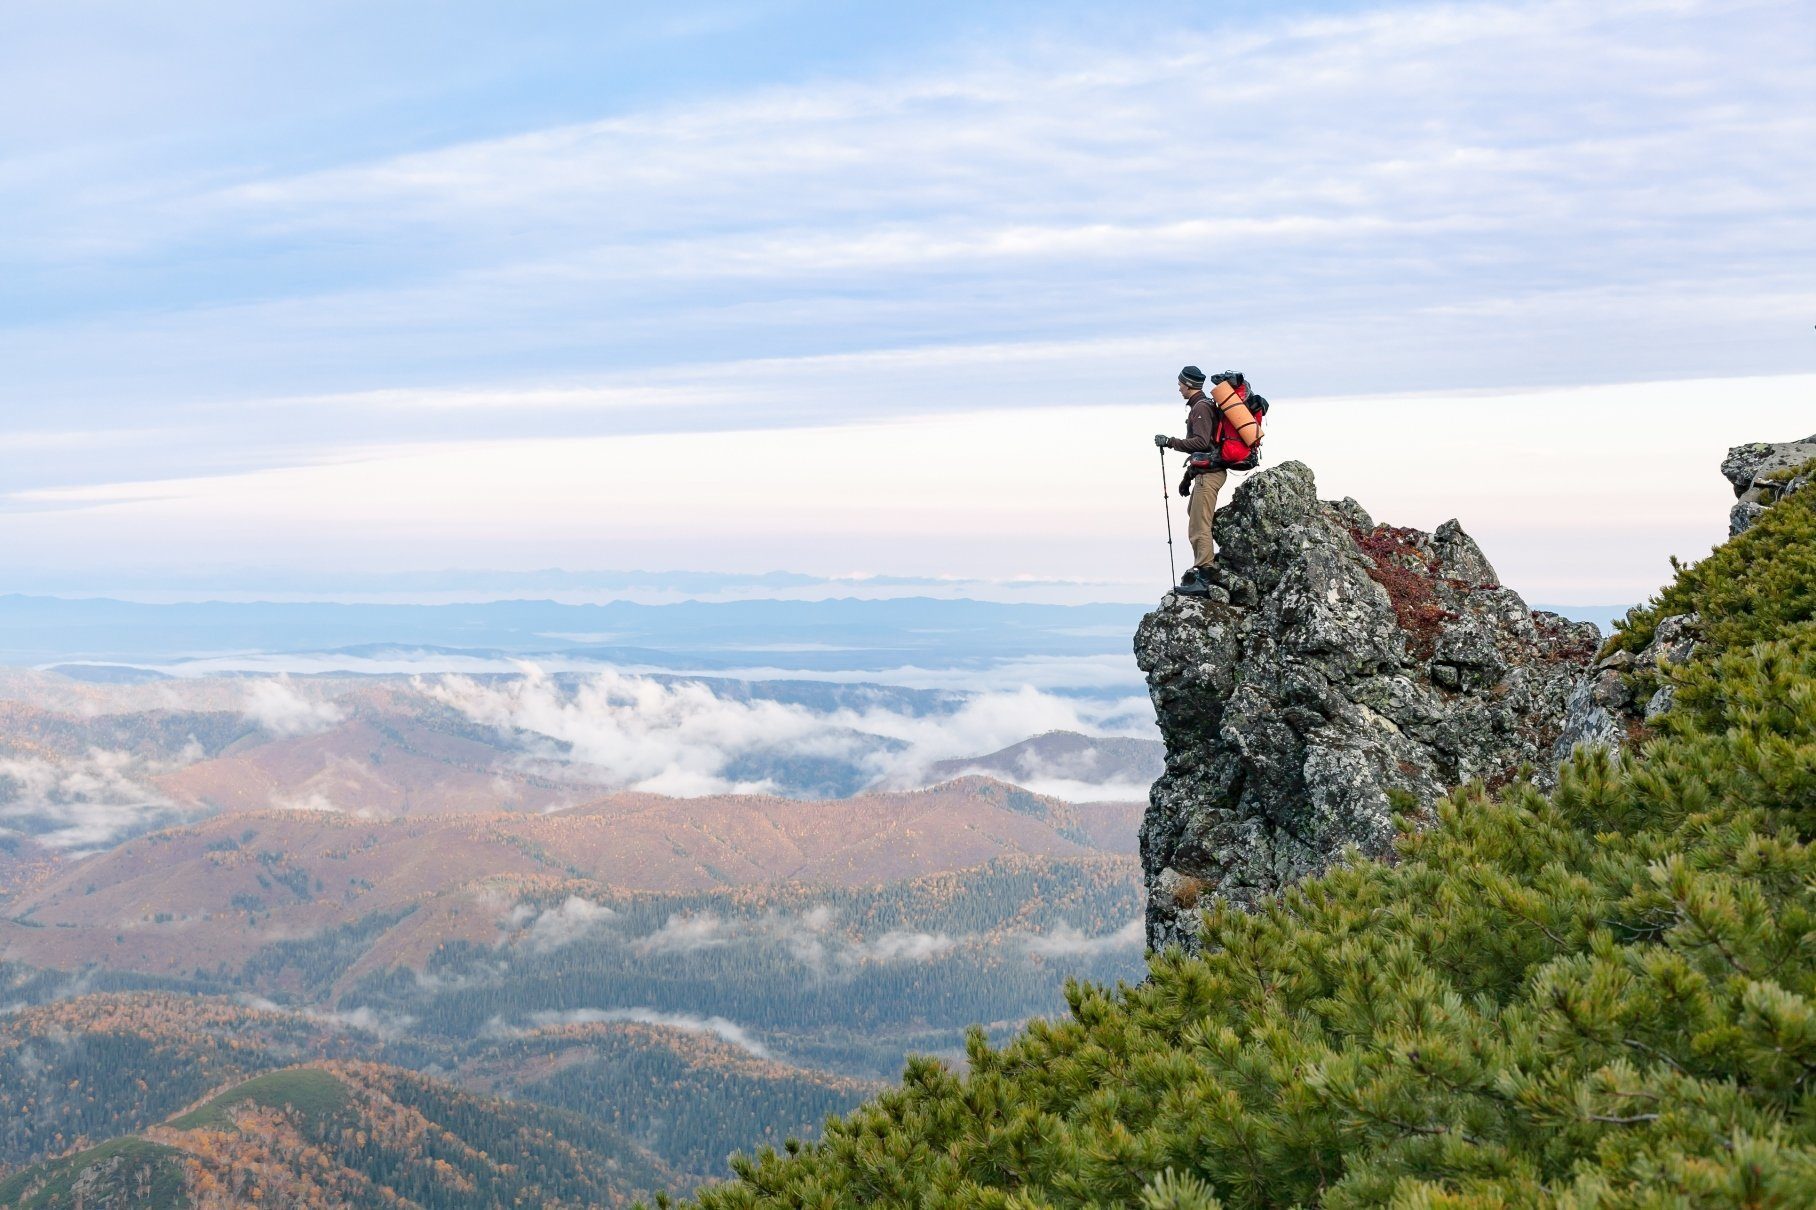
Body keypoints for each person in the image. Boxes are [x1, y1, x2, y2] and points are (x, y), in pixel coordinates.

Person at [1153, 365, 1259, 594]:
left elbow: (1201, 443)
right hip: (1207, 473)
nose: (1179, 387)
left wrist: (1170, 442)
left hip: (1209, 475)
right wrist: (1187, 478)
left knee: (1199, 525)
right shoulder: (1203, 406)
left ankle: (1204, 575)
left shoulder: (1200, 408)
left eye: (1181, 383)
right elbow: (1207, 449)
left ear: (1189, 385)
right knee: (1196, 516)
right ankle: (1203, 569)